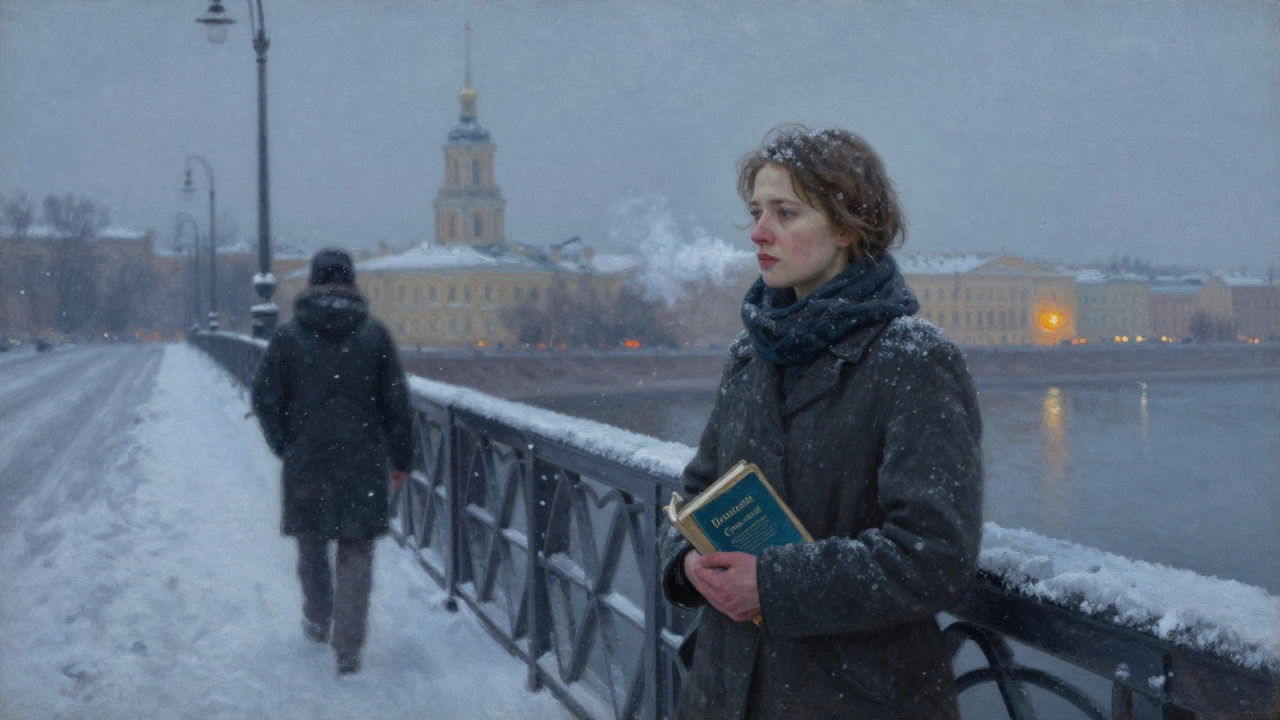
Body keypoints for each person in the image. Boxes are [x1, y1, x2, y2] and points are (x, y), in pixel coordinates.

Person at [659, 125, 984, 719]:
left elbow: (937, 555)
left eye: (785, 212)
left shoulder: (913, 360)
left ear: (847, 227)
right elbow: (697, 493)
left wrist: (774, 585)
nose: (759, 232)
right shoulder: (751, 353)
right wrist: (686, 562)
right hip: (725, 691)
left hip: (853, 698)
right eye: (757, 211)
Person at [251, 248, 413, 675]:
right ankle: (348, 646)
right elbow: (397, 404)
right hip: (362, 460)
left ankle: (319, 618)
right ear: (352, 282)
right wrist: (401, 458)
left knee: (311, 543)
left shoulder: (287, 336)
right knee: (356, 550)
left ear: (312, 283)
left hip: (308, 459)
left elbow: (264, 397)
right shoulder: (374, 336)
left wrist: (286, 440)